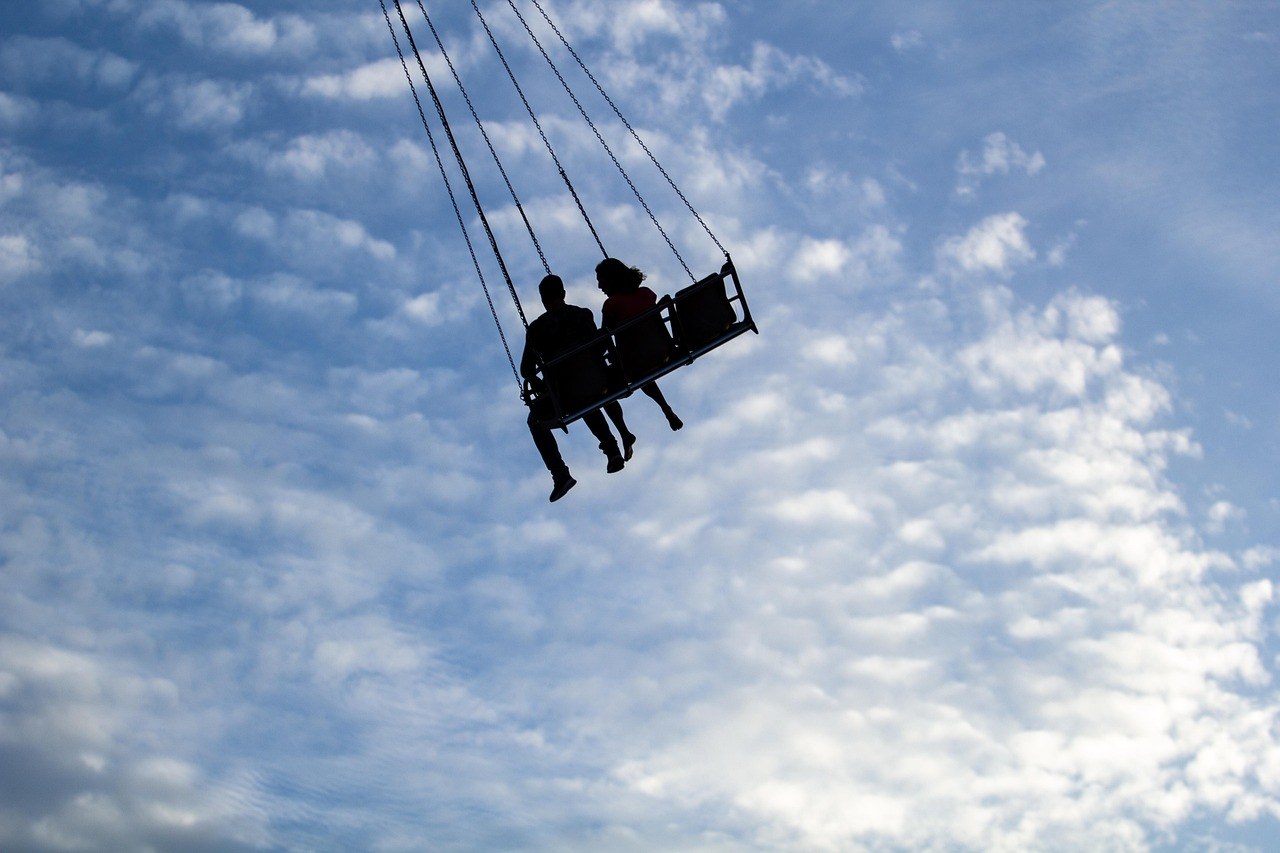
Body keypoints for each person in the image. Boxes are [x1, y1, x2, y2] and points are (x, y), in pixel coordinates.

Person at [522, 274, 635, 502]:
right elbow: (600, 344)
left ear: (543, 300)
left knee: (536, 420)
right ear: (564, 294)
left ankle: (560, 474)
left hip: (567, 394)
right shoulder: (583, 314)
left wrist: (541, 386)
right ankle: (611, 449)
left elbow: (526, 369)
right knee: (586, 391)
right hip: (598, 381)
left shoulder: (537, 329)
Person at [595, 257, 684, 431]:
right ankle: (666, 409)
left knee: (602, 387)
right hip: (662, 352)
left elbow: (603, 342)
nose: (599, 287)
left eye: (601, 281)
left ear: (612, 280)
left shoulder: (612, 305)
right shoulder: (646, 294)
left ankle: (623, 432)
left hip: (633, 366)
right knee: (641, 361)